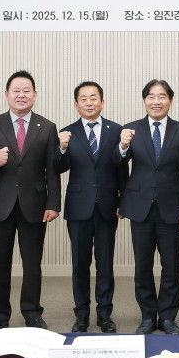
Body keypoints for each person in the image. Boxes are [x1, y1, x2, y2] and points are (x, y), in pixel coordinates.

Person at [0, 70, 61, 330]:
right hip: (1, 203)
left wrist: (53, 204)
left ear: (35, 95)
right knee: (0, 262)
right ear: (7, 95)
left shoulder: (47, 127)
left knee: (32, 263)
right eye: (16, 90)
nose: (21, 95)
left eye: (27, 91)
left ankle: (32, 312)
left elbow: (52, 170)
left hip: (35, 204)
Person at [114, 79, 179, 335]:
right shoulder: (131, 130)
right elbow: (117, 165)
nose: (156, 101)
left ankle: (168, 317)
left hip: (172, 208)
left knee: (171, 266)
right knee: (143, 266)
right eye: (151, 96)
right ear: (144, 100)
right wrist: (122, 146)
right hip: (140, 208)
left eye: (162, 96)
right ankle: (148, 316)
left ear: (170, 100)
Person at [54, 82, 128, 333]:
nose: (89, 102)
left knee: (105, 263)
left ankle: (105, 314)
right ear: (76, 104)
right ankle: (81, 314)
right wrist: (61, 148)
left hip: (108, 205)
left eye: (93, 97)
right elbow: (58, 167)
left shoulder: (116, 130)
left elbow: (122, 169)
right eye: (83, 99)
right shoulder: (67, 132)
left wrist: (123, 201)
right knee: (80, 263)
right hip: (78, 207)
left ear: (102, 102)